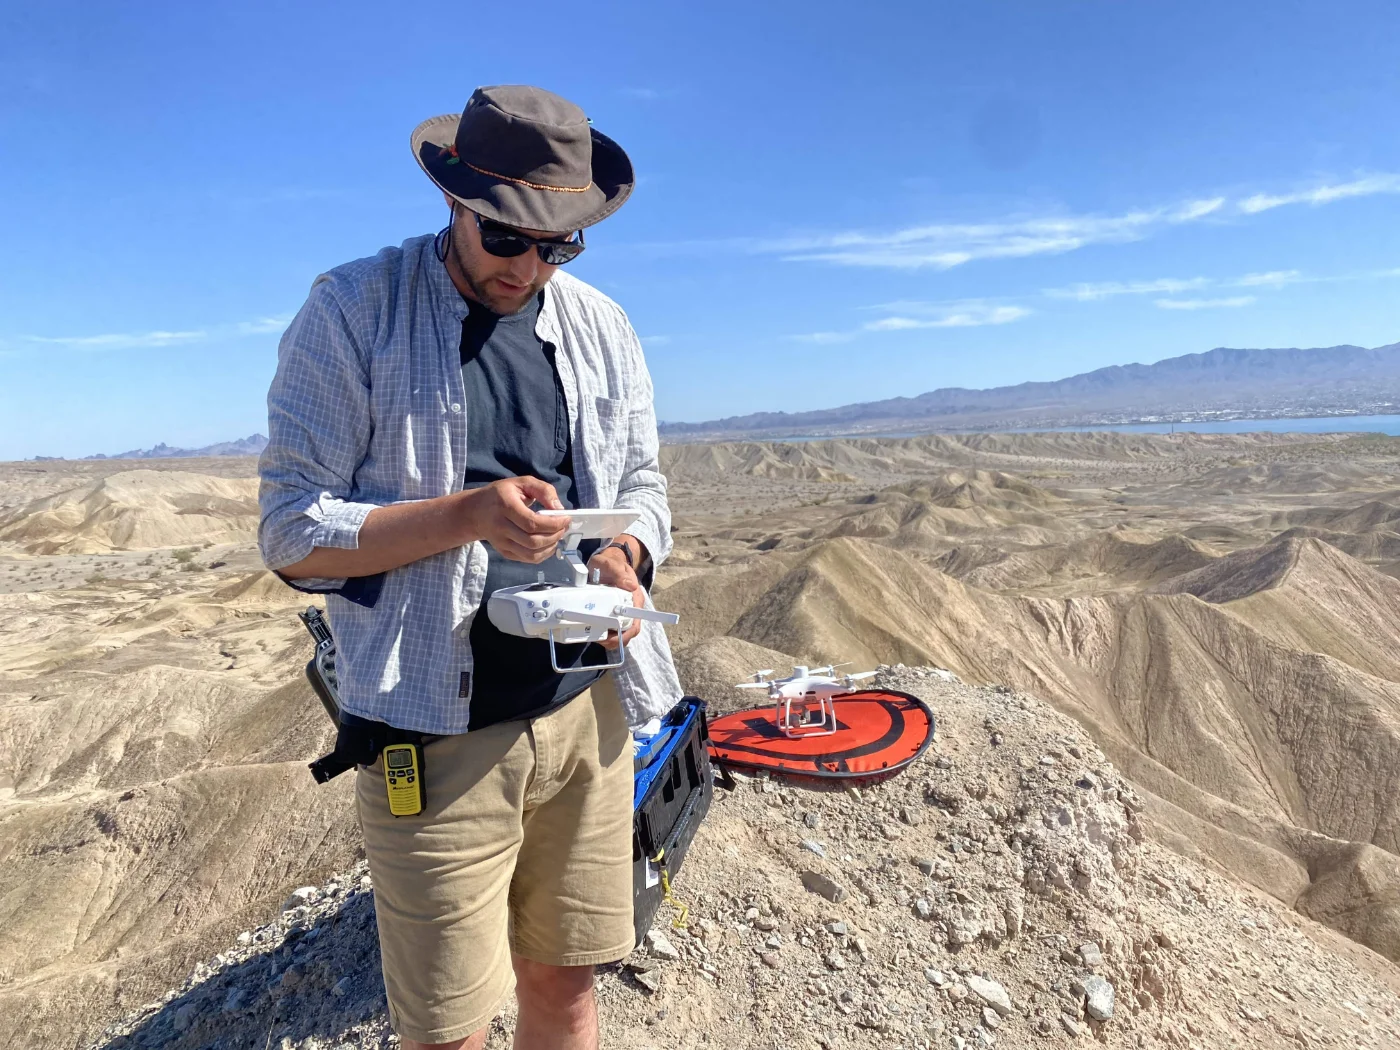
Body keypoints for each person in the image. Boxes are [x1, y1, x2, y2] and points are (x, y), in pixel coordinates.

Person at [257, 85, 681, 1050]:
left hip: (585, 715)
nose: (529, 267)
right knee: (446, 1028)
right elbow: (292, 532)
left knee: (568, 986)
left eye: (558, 246)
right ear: (453, 201)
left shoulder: (600, 327)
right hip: (432, 736)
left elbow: (645, 480)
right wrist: (467, 518)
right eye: (506, 239)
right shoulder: (354, 313)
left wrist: (628, 553)